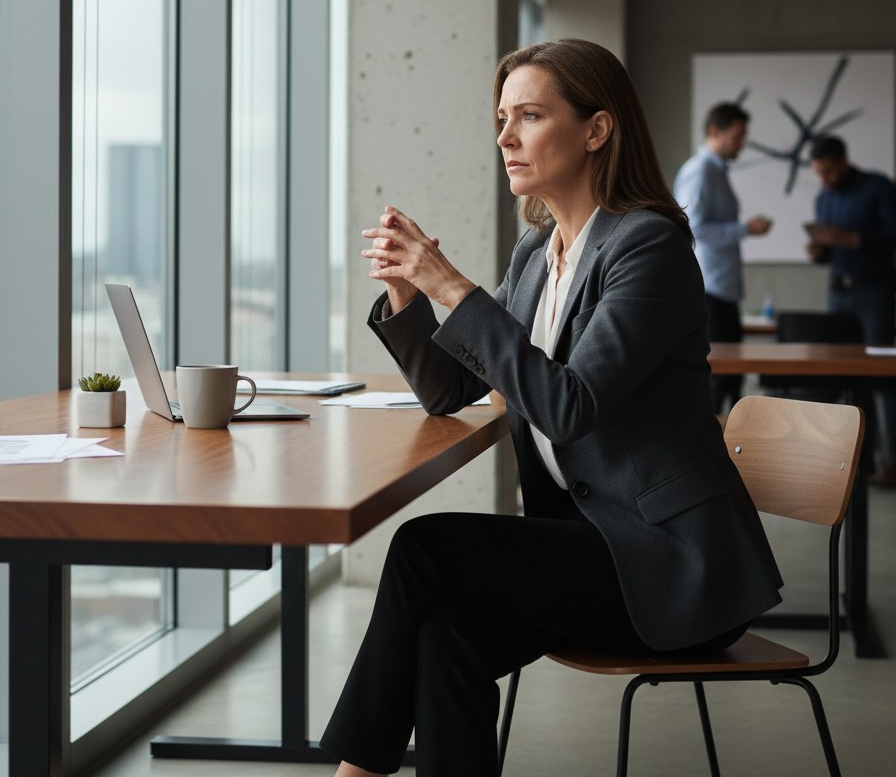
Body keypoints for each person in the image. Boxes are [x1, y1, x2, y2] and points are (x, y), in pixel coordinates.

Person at [319, 40, 782, 777]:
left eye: (529, 116)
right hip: (593, 547)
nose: (505, 137)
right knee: (448, 636)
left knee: (423, 548)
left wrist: (456, 293)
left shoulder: (648, 248)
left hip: (672, 565)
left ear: (596, 130)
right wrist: (412, 301)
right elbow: (451, 389)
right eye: (502, 118)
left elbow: (571, 406)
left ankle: (350, 776)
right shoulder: (538, 255)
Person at [807, 135, 896, 489]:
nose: (825, 181)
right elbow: (831, 254)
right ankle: (855, 462)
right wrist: (820, 253)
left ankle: (893, 462)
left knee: (885, 377)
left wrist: (851, 239)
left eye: (829, 173)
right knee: (842, 377)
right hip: (839, 292)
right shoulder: (823, 198)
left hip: (875, 292)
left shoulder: (878, 186)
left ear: (843, 162)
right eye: (819, 175)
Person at [673, 103, 772, 415]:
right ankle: (709, 459)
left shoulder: (715, 171)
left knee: (731, 379)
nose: (743, 143)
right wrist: (746, 229)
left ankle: (730, 458)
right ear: (715, 132)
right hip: (709, 288)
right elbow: (693, 226)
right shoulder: (700, 172)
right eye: (738, 136)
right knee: (718, 380)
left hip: (721, 287)